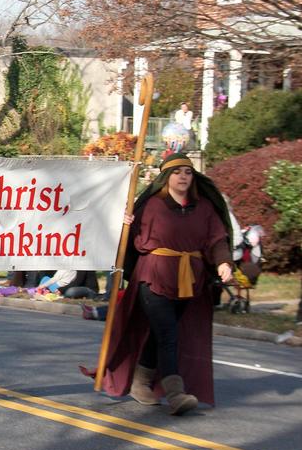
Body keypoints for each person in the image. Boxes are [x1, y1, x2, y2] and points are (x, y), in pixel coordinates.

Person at [86, 153, 234, 416]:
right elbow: (126, 239)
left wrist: (223, 263)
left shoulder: (204, 208)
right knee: (168, 334)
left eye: (187, 172)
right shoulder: (152, 205)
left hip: (188, 281)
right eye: (177, 172)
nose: (183, 177)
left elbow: (217, 239)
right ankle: (175, 393)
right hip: (153, 277)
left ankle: (141, 382)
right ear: (166, 177)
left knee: (161, 332)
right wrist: (124, 225)